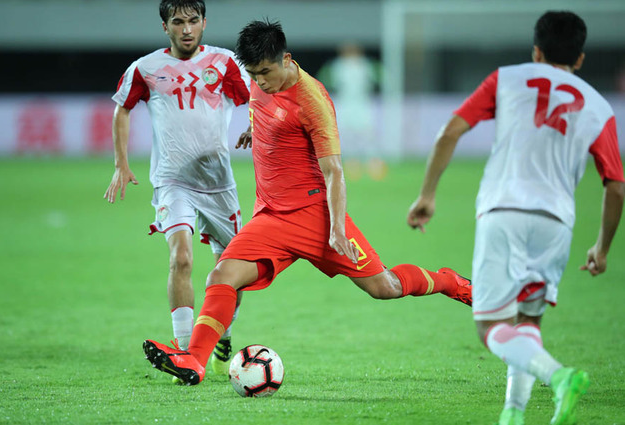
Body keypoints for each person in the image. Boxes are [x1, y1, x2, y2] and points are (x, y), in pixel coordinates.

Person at [141, 19, 472, 387]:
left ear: (286, 59)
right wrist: (255, 128)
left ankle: (449, 282)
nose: (260, 81)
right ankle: (195, 361)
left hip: (314, 217)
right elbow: (264, 105)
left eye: (266, 72)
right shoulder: (258, 79)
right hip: (270, 217)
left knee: (385, 288)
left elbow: (334, 172)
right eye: (254, 73)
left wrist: (336, 229)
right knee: (221, 275)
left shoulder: (313, 100)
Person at [407, 11, 624, 425]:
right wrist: (602, 246)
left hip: (503, 210)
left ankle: (559, 376)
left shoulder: (507, 78)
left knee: (491, 327)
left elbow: (450, 131)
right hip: (557, 223)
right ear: (579, 59)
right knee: (528, 320)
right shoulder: (598, 106)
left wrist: (428, 195)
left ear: (536, 50)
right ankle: (512, 415)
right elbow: (615, 185)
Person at [103, 0, 251, 376]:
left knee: (230, 270)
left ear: (204, 22)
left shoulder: (224, 62)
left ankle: (224, 334)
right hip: (172, 181)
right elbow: (122, 108)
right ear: (165, 26)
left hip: (219, 184)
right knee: (181, 257)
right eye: (178, 22)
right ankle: (186, 350)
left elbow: (257, 96)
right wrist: (121, 163)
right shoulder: (146, 68)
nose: (186, 30)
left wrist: (254, 123)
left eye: (193, 21)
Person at [317, 42, 386, 181]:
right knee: (347, 136)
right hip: (346, 104)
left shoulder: (365, 65)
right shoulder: (338, 66)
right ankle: (352, 166)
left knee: (368, 135)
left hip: (362, 104)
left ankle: (374, 165)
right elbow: (324, 79)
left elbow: (381, 75)